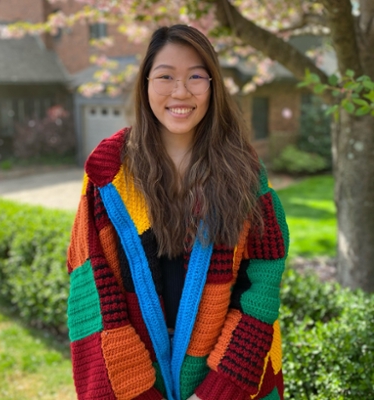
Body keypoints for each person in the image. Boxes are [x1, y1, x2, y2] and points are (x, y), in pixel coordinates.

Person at [66, 24, 289, 400]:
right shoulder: (108, 179)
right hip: (134, 382)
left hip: (227, 383)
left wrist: (216, 392)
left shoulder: (247, 177)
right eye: (165, 76)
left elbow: (260, 292)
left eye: (196, 77)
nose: (180, 92)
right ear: (146, 84)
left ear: (213, 86)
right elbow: (94, 296)